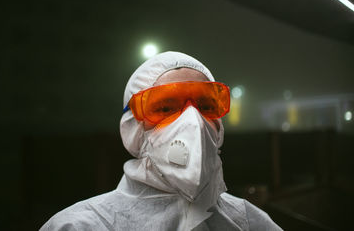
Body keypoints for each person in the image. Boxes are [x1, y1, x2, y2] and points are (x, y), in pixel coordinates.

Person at [40, 51, 282, 230]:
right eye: (166, 107)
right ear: (133, 128)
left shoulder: (251, 223)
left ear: (219, 127)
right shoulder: (81, 226)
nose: (193, 121)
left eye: (206, 105)